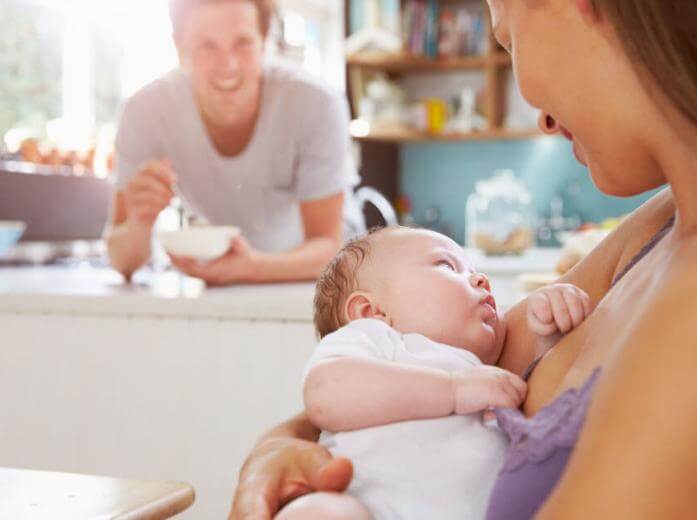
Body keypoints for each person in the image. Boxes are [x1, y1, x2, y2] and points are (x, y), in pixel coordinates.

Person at [229, 0, 697, 518]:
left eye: (508, 41)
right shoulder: (656, 232)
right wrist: (278, 444)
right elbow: (356, 398)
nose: (538, 115)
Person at [276, 226, 591, 519]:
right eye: (447, 267)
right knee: (320, 511)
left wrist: (551, 333)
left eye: (474, 270)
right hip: (368, 505)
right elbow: (325, 392)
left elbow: (544, 404)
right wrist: (453, 390)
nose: (481, 279)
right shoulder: (377, 340)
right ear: (371, 312)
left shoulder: (484, 374)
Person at [106, 0, 364, 285]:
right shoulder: (145, 112)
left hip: (324, 285)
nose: (227, 66)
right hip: (230, 283)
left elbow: (329, 246)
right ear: (179, 47)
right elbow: (122, 261)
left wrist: (252, 268)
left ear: (264, 41)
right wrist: (139, 222)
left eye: (242, 43)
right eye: (207, 46)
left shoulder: (315, 103)